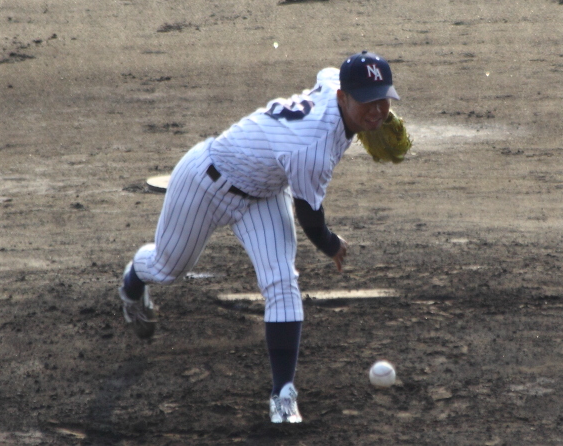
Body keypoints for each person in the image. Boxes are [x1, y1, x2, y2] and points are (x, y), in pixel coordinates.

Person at [118, 50, 400, 423]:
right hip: (205, 180)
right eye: (366, 101)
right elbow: (310, 217)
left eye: (383, 100)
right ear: (342, 98)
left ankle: (282, 395)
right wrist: (332, 244)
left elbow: (327, 71)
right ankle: (133, 281)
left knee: (282, 283)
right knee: (168, 267)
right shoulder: (312, 148)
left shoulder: (337, 85)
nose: (377, 110)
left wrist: (375, 114)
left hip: (262, 195)